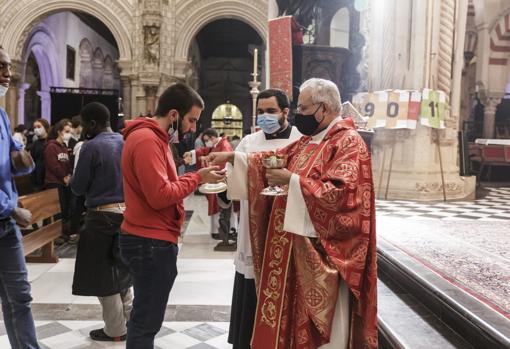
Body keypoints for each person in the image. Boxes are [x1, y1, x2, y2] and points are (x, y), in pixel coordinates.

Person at [207, 78, 377, 349]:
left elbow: (341, 196)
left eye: (303, 107)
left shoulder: (348, 142)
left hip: (322, 253)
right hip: (294, 252)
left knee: (327, 333)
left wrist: (293, 181)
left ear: (323, 108)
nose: (299, 113)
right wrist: (232, 158)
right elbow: (273, 157)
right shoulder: (311, 140)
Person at [120, 82, 226, 348]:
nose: (193, 127)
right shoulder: (146, 140)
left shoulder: (155, 138)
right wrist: (196, 178)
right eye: (191, 120)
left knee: (146, 318)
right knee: (146, 322)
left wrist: (193, 177)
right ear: (174, 115)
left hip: (152, 237)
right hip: (149, 240)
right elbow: (159, 196)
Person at [227, 88, 302, 349]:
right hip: (253, 228)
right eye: (260, 112)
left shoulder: (300, 140)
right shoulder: (249, 142)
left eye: (271, 111)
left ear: (285, 112)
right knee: (252, 280)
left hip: (287, 226)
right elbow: (234, 177)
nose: (264, 116)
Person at [71, 102, 132, 342]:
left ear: (92, 123)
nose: (84, 128)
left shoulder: (91, 147)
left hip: (101, 215)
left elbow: (78, 188)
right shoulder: (124, 142)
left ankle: (115, 330)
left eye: (85, 123)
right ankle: (131, 320)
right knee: (122, 270)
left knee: (102, 274)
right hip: (127, 214)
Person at [0, 45, 40, 349]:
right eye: (1, 67)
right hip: (7, 214)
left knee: (19, 297)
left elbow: (15, 161)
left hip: (5, 225)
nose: (7, 75)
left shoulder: (1, 114)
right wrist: (12, 209)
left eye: (9, 68)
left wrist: (22, 159)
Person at [184, 128, 236, 245]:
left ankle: (224, 232)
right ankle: (217, 231)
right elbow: (205, 150)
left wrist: (208, 164)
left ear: (212, 138)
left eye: (207, 140)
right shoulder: (217, 144)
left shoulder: (224, 145)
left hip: (221, 182)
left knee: (222, 209)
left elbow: (224, 164)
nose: (206, 143)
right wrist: (192, 154)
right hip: (216, 181)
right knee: (217, 207)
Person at [44, 118, 74, 240]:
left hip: (64, 182)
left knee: (64, 209)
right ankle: (55, 235)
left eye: (70, 132)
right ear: (59, 132)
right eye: (66, 131)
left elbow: (67, 164)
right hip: (54, 182)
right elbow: (53, 165)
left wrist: (69, 175)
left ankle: (63, 232)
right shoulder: (51, 147)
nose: (69, 134)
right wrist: (63, 177)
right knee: (57, 211)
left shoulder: (64, 147)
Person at [28, 118, 50, 191]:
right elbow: (32, 161)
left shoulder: (51, 142)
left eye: (39, 126)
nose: (36, 129)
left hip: (49, 178)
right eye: (34, 127)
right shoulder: (34, 144)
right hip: (38, 177)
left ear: (46, 128)